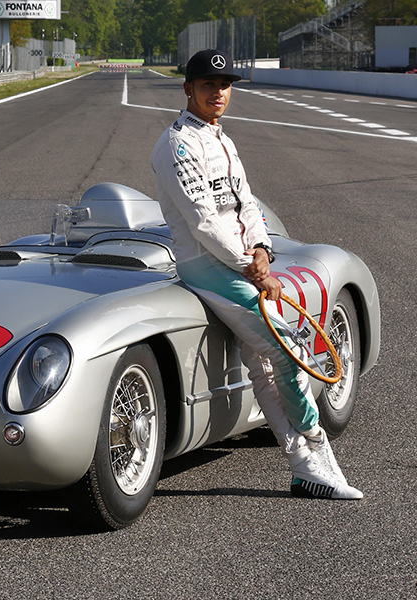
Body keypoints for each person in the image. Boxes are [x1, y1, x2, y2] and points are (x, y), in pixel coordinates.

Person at [150, 49, 362, 500]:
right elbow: (202, 220)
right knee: (287, 350)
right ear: (188, 88)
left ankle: (304, 464)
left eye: (225, 85)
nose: (219, 92)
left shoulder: (225, 141)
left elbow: (248, 202)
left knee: (264, 364)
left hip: (244, 260)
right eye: (209, 84)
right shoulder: (174, 144)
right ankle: (316, 444)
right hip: (204, 264)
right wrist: (254, 269)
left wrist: (263, 249)